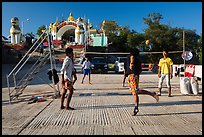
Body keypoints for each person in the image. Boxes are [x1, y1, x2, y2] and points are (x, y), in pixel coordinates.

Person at [126, 48, 159, 116]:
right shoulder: (137, 59)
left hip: (133, 76)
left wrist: (131, 64)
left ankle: (151, 95)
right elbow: (140, 70)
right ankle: (136, 107)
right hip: (133, 76)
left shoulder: (132, 57)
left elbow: (132, 59)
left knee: (135, 92)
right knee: (135, 93)